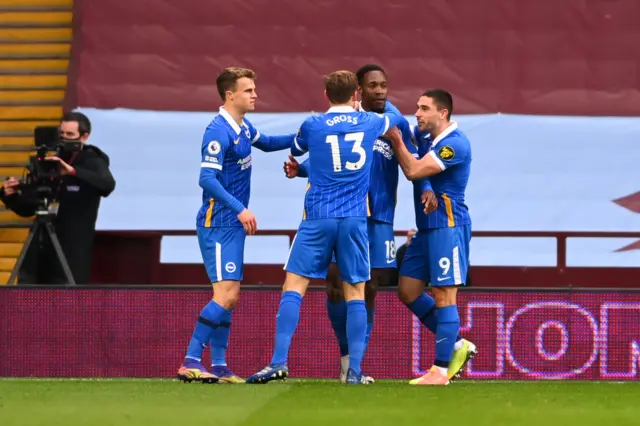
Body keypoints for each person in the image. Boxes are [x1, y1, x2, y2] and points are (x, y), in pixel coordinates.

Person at [282, 64, 438, 383]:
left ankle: (356, 365)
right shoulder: (348, 119)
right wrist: (302, 170)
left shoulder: (392, 122)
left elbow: (414, 160)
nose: (381, 91)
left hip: (378, 215)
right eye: (373, 86)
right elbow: (331, 157)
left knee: (370, 287)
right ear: (359, 91)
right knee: (336, 286)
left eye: (384, 85)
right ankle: (346, 359)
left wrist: (426, 188)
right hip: (342, 213)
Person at [246, 70, 402, 385]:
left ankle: (278, 362)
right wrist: (363, 110)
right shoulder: (371, 123)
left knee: (294, 286)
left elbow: (298, 149)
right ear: (356, 94)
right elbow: (394, 118)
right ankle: (354, 372)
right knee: (356, 290)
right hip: (355, 219)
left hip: (317, 215)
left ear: (325, 96)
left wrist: (293, 164)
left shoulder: (312, 125)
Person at [176, 67, 298, 384]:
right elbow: (206, 178)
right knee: (225, 296)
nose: (255, 94)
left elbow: (269, 142)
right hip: (217, 223)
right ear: (230, 94)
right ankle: (190, 360)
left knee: (231, 295)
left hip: (231, 225)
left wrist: (307, 136)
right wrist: (240, 208)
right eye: (248, 90)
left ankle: (218, 366)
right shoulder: (217, 132)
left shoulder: (242, 127)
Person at [386, 89, 476, 385]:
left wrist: (398, 142)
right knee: (408, 290)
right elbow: (398, 121)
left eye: (424, 108)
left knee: (443, 295)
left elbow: (412, 168)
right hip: (425, 230)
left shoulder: (455, 145)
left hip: (448, 228)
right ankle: (456, 345)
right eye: (417, 107)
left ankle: (440, 370)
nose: (418, 113)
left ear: (443, 113)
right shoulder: (426, 136)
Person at [0, 112, 115, 284]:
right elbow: (29, 209)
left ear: (84, 137)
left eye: (70, 135)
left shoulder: (92, 159)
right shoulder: (50, 161)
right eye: (61, 135)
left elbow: (107, 185)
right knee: (27, 294)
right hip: (40, 246)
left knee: (64, 301)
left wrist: (73, 172)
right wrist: (9, 195)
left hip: (70, 250)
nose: (64, 140)